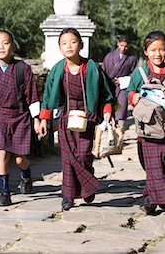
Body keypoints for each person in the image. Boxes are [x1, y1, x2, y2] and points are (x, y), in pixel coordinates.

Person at [38, 28, 114, 211]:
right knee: (68, 158)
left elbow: (105, 92)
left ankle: (87, 186)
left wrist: (107, 111)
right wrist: (43, 119)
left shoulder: (92, 68)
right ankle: (68, 196)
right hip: (66, 118)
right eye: (64, 43)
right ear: (59, 48)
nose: (69, 46)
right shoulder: (58, 70)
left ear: (81, 44)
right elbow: (48, 96)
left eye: (73, 42)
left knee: (83, 155)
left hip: (88, 118)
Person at [127, 31, 165, 215]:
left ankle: (154, 194)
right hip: (146, 124)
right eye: (153, 49)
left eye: (162, 49)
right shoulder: (140, 73)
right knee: (152, 163)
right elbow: (130, 91)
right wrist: (134, 97)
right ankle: (154, 199)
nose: (158, 54)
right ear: (146, 51)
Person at [0, 31, 41, 206]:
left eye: (6, 43)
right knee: (2, 154)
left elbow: (32, 95)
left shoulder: (23, 69)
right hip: (0, 117)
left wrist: (36, 119)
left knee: (19, 158)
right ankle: (5, 193)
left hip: (21, 116)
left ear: (13, 46)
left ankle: (26, 174)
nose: (1, 47)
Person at [102, 34, 137, 129]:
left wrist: (122, 80)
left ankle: (120, 130)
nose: (123, 48)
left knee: (121, 110)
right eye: (121, 45)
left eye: (126, 46)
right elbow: (104, 72)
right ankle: (110, 132)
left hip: (122, 88)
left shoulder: (131, 59)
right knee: (109, 109)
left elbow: (133, 75)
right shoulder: (109, 57)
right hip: (110, 87)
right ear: (118, 44)